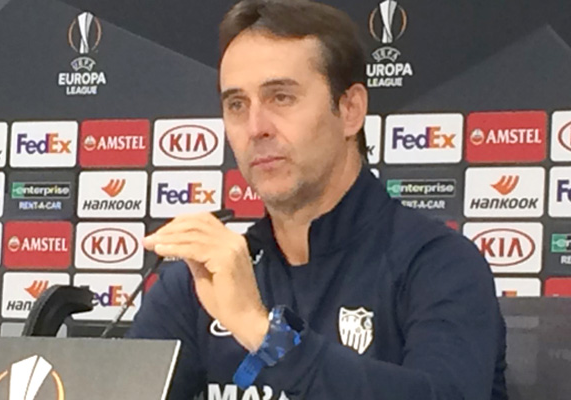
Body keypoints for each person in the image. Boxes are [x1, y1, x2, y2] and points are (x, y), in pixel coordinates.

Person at [127, 0, 508, 399]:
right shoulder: (200, 281)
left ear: (350, 110)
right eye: (237, 104)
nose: (256, 128)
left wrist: (261, 331)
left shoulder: (439, 264)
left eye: (281, 97)